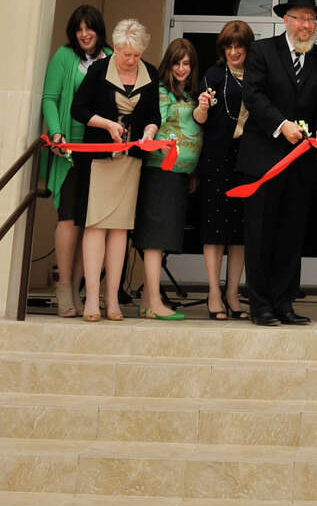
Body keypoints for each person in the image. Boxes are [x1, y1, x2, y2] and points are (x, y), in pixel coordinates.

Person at [237, 0, 317, 326]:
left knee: (292, 234)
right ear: (286, 20)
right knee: (261, 233)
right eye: (301, 19)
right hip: (264, 158)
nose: (307, 25)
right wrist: (282, 125)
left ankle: (284, 303)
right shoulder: (262, 52)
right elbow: (254, 95)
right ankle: (260, 305)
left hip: (302, 164)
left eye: (312, 20)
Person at [70, 17, 161, 322]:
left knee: (120, 228)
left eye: (136, 55)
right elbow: (78, 109)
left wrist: (148, 133)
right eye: (126, 54)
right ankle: (92, 299)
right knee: (96, 226)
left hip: (130, 161)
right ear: (117, 48)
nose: (131, 60)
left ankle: (112, 301)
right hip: (99, 160)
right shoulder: (99, 70)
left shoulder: (150, 73)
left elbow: (153, 116)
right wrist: (108, 124)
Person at [40, 4, 108, 317]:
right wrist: (55, 133)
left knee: (92, 222)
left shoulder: (110, 57)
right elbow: (50, 99)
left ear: (98, 30)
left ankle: (82, 291)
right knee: (68, 218)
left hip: (101, 152)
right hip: (69, 151)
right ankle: (64, 289)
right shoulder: (63, 57)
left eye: (89, 28)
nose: (84, 34)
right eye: (79, 29)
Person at [133, 37, 204, 321]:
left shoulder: (191, 95)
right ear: (168, 64)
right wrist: (156, 141)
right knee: (155, 239)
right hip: (159, 172)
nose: (182, 68)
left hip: (180, 175)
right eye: (177, 62)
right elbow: (151, 123)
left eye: (187, 63)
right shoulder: (159, 91)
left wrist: (193, 171)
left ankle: (146, 301)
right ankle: (154, 303)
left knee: (163, 239)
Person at [198, 19, 254, 320]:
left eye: (239, 46)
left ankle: (233, 293)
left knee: (239, 231)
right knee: (215, 228)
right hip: (217, 157)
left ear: (247, 48)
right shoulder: (214, 74)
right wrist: (203, 107)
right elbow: (200, 116)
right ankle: (214, 293)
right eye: (229, 46)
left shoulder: (256, 75)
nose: (234, 52)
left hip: (245, 158)